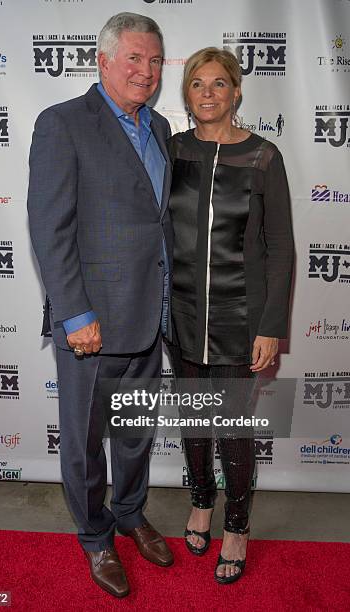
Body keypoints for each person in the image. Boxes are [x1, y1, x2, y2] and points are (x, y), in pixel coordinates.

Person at [27, 13, 174, 599]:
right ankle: (95, 537)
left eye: (156, 60)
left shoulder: (160, 126)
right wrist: (73, 312)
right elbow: (49, 226)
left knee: (135, 432)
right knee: (86, 442)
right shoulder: (62, 123)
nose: (146, 71)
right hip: (91, 321)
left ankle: (131, 514)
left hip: (150, 315)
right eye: (135, 58)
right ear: (104, 61)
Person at [166, 47, 294, 584]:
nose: (209, 94)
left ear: (237, 92)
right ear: (187, 93)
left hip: (241, 318)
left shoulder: (264, 156)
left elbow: (281, 247)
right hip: (182, 312)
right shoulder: (171, 150)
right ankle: (201, 504)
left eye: (219, 84)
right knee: (195, 419)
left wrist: (270, 326)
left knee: (234, 427)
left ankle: (237, 527)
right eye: (198, 84)